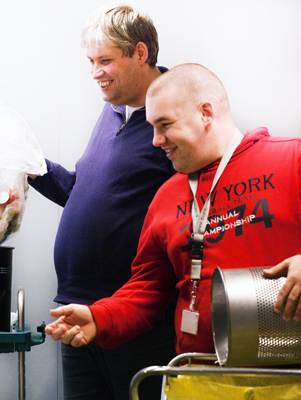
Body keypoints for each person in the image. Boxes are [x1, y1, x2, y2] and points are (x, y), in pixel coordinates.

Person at [45, 63, 301, 362]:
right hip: (200, 371)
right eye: (152, 127)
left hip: (287, 368)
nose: (156, 140)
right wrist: (99, 316)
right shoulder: (167, 197)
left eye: (164, 124)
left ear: (206, 113)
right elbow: (147, 287)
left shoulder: (290, 159)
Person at [27, 4, 176, 400]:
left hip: (134, 317)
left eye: (105, 60)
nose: (95, 72)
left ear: (140, 53)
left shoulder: (176, 115)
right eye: (91, 61)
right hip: (76, 310)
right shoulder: (113, 112)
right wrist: (31, 165)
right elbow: (86, 196)